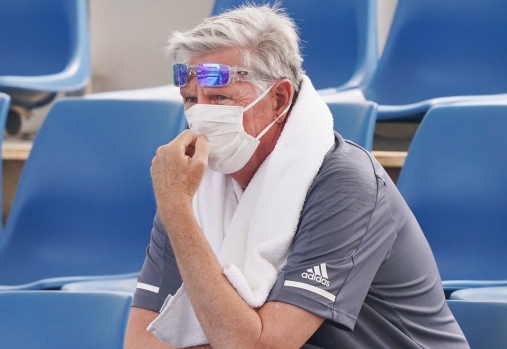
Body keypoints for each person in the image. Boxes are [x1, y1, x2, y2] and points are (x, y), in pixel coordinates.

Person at [125, 4, 469, 349]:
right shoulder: (189, 189)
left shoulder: (346, 185)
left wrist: (177, 211)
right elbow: (143, 342)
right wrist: (178, 206)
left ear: (279, 98)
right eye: (189, 99)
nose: (200, 115)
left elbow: (260, 347)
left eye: (219, 97)